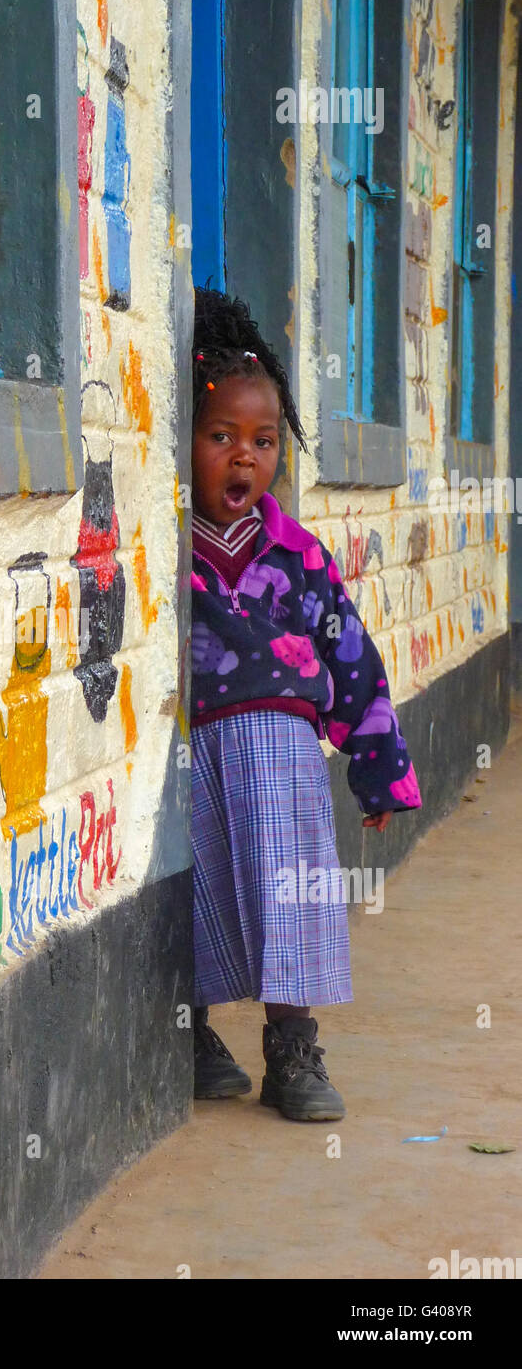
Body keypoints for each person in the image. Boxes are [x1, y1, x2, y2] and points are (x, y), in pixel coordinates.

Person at [188, 288, 421, 1121]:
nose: (243, 459)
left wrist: (380, 767)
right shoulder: (169, 551)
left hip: (286, 766)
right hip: (200, 759)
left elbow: (353, 658)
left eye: (262, 441)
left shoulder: (297, 557)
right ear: (183, 443)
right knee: (200, 892)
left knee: (292, 901)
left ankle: (293, 1047)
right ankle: (193, 1033)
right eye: (220, 439)